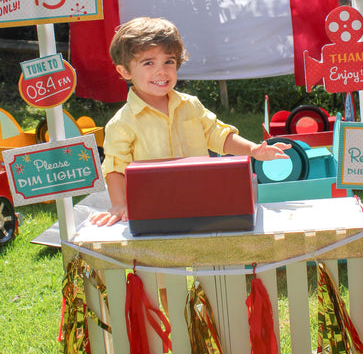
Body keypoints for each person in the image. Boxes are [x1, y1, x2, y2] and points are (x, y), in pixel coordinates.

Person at [90, 16, 291, 226]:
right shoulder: (122, 123)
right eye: (148, 62)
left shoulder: (190, 105)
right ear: (125, 71)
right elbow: (115, 168)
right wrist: (120, 204)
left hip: (201, 200)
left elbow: (218, 135)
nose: (161, 71)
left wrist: (254, 150)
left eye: (169, 61)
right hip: (153, 208)